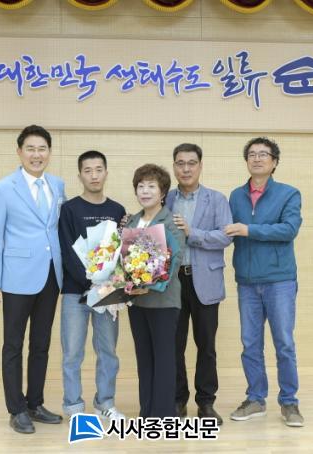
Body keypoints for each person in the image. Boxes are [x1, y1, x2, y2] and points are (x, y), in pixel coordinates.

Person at [0, 125, 65, 434]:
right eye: (30, 148)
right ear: (19, 152)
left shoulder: (57, 185)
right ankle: (16, 409)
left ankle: (35, 403)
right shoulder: (3, 188)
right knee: (13, 345)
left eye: (42, 148)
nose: (36, 154)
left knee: (41, 344)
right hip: (16, 277)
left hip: (51, 275)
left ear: (49, 152)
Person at [224, 137, 305, 428]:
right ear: (246, 160)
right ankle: (256, 398)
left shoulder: (289, 193)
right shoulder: (235, 196)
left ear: (274, 162)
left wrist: (249, 230)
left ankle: (289, 401)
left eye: (263, 154)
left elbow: (289, 229)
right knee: (250, 344)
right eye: (252, 154)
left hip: (279, 280)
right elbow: (226, 231)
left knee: (284, 343)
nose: (257, 158)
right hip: (246, 281)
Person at [165, 143, 232, 425]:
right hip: (172, 282)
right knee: (174, 345)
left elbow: (226, 236)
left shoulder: (216, 199)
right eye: (180, 163)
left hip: (205, 279)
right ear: (174, 167)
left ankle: (206, 402)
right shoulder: (166, 198)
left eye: (191, 163)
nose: (186, 169)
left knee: (206, 345)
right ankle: (178, 399)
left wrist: (193, 233)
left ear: (200, 166)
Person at [58, 150, 126, 421]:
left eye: (98, 169)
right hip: (75, 292)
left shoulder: (117, 210)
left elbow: (121, 252)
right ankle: (74, 407)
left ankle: (105, 403)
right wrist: (90, 281)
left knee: (108, 350)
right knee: (72, 353)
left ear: (106, 173)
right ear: (80, 176)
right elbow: (67, 251)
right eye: (88, 170)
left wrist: (108, 283)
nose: (94, 175)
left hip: (109, 293)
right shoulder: (69, 209)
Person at [124, 164, 185, 418]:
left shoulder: (172, 222)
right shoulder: (131, 221)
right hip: (136, 303)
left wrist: (149, 285)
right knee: (144, 358)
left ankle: (162, 414)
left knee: (164, 359)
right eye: (141, 186)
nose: (145, 191)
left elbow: (175, 259)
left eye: (151, 186)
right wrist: (125, 283)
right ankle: (146, 411)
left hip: (163, 301)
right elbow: (124, 259)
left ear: (162, 193)